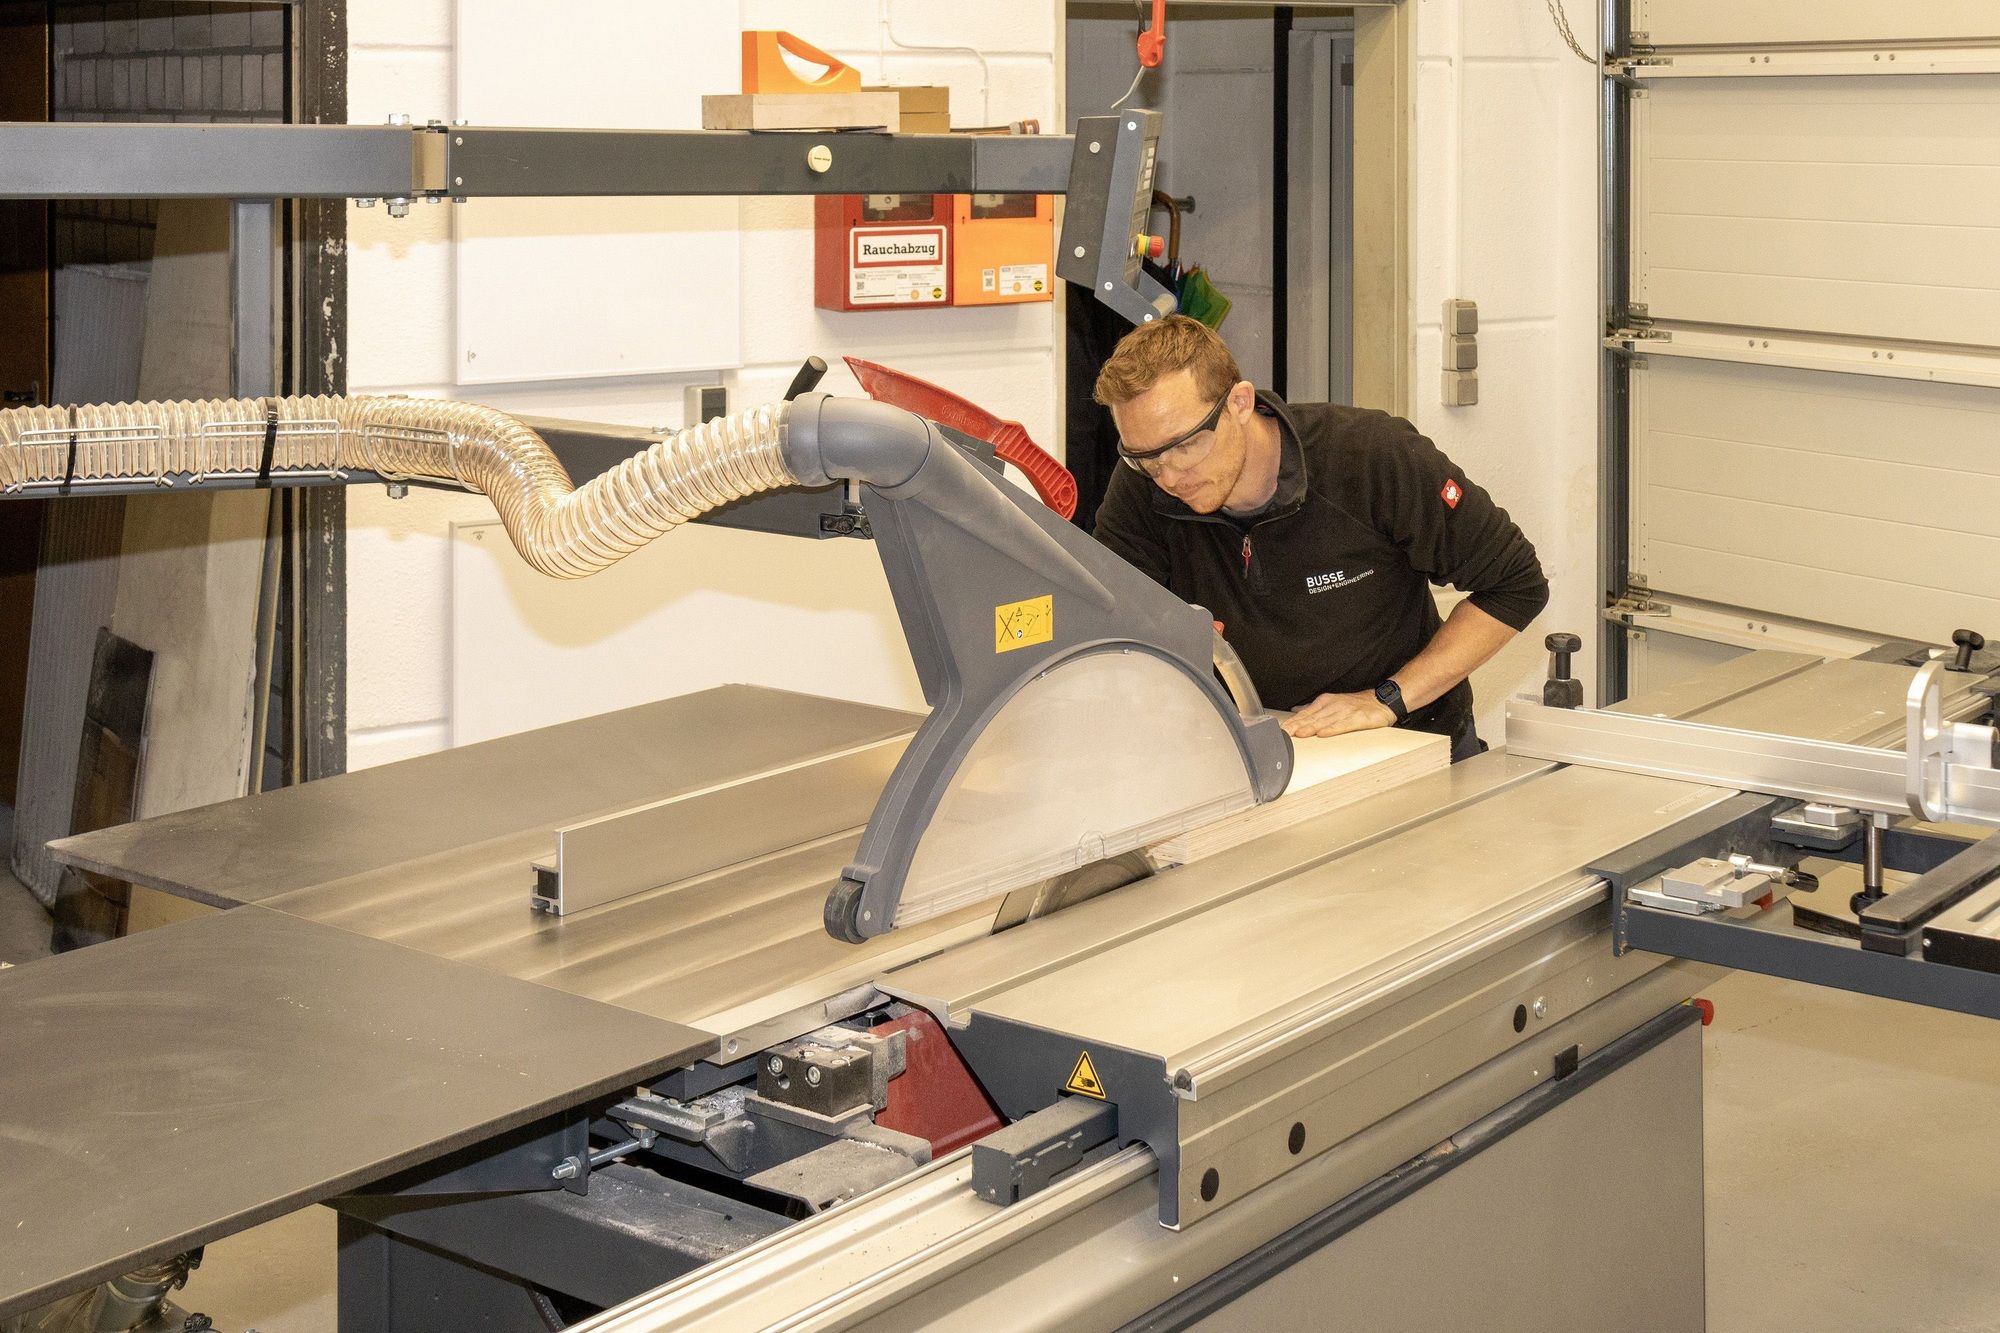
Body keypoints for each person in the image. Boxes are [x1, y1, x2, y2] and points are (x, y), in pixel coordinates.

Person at [1090, 315, 1548, 762]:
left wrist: (1386, 699)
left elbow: (1516, 585)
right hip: (1256, 752)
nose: (1169, 475)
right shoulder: (1143, 484)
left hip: (1410, 745)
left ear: (1240, 403)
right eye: (1145, 458)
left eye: (1186, 445)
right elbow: (1106, 625)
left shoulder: (1370, 456)